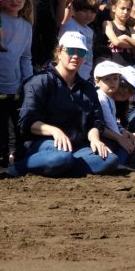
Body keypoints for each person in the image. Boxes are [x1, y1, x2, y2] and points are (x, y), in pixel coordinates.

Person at [10, 31, 120, 177]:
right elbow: (26, 121)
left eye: (81, 52)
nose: (76, 56)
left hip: (76, 147)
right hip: (43, 144)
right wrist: (54, 131)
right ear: (59, 52)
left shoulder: (87, 88)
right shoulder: (39, 81)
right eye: (71, 51)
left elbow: (96, 121)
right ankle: (18, 168)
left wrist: (94, 138)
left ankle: (62, 168)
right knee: (61, 157)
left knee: (110, 159)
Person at [0, 0, 33, 168]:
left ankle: (12, 161)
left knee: (14, 129)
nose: (15, 0)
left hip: (14, 86)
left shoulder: (26, 26)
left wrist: (27, 82)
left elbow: (25, 57)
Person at [93, 61, 135, 163]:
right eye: (107, 79)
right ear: (97, 81)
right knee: (123, 149)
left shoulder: (109, 98)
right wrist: (121, 138)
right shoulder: (101, 97)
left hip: (110, 135)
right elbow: (108, 122)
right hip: (101, 136)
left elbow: (113, 121)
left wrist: (124, 132)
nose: (112, 83)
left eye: (115, 79)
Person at [104, 0, 135, 67]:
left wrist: (125, 37)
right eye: (122, 8)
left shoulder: (130, 29)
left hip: (128, 67)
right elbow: (117, 42)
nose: (125, 12)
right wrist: (134, 46)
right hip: (112, 66)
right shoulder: (108, 23)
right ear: (114, 8)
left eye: (128, 9)